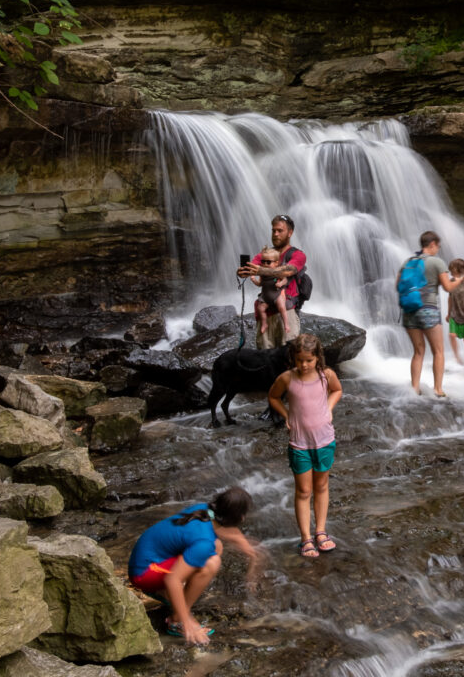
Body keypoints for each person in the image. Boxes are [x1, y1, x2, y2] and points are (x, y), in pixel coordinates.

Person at [128, 487, 262, 645]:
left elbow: (224, 529)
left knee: (217, 546)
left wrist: (248, 549)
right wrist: (187, 621)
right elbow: (173, 580)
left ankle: (168, 595)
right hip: (144, 573)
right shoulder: (204, 542)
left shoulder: (203, 510)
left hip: (150, 558)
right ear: (240, 517)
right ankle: (176, 621)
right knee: (211, 563)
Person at [268, 335, 343, 557]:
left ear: (317, 358)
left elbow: (337, 390)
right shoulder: (287, 378)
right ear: (293, 358)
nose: (304, 365)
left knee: (321, 487)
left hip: (325, 440)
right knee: (303, 491)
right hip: (299, 443)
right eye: (299, 360)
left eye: (308, 360)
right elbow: (273, 397)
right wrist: (286, 415)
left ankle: (320, 531)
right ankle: (305, 538)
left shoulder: (325, 375)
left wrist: (329, 408)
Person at [396, 230, 462, 397]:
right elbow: (448, 287)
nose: (438, 249)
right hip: (428, 309)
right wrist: (459, 280)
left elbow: (398, 285)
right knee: (438, 351)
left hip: (409, 310)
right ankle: (438, 389)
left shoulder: (407, 262)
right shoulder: (436, 262)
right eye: (438, 246)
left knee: (418, 351)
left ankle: (414, 389)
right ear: (432, 244)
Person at [236, 214, 307, 348]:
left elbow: (287, 271)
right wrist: (241, 272)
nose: (275, 234)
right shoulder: (264, 255)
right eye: (273, 230)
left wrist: (261, 271)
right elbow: (251, 268)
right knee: (264, 357)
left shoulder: (298, 255)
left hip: (287, 312)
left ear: (290, 233)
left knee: (288, 355)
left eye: (280, 231)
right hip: (265, 314)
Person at [251, 247, 290, 336]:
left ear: (276, 263)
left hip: (276, 295)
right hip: (265, 297)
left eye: (268, 262)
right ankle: (264, 323)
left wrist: (280, 284)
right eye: (263, 261)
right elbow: (260, 284)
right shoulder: (262, 273)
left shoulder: (277, 272)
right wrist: (254, 280)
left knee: (282, 307)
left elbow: (285, 280)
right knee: (260, 308)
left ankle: (286, 324)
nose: (265, 264)